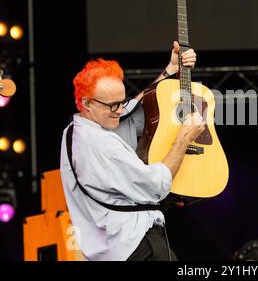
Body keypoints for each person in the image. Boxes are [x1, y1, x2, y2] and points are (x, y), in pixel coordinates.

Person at [60, 41, 205, 261]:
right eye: (112, 106)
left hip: (116, 250)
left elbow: (134, 107)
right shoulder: (101, 145)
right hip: (137, 245)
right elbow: (157, 185)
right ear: (87, 103)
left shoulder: (75, 130)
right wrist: (183, 139)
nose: (119, 111)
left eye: (121, 102)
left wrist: (171, 70)